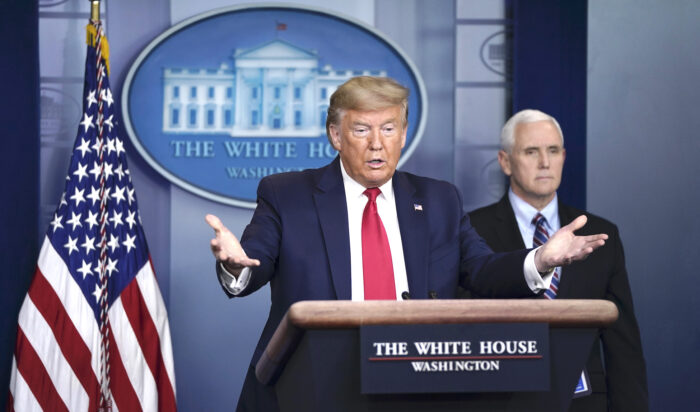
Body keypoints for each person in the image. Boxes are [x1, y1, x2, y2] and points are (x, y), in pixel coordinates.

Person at [205, 77, 608, 411]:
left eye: (389, 128)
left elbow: (482, 271)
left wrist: (541, 259)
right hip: (310, 389)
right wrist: (235, 263)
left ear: (403, 134)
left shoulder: (438, 200)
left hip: (414, 387)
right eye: (362, 129)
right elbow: (253, 261)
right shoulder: (287, 194)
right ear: (335, 135)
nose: (376, 143)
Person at [468, 109, 648, 411]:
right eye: (531, 151)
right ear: (505, 161)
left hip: (584, 403)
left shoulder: (602, 235)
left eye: (553, 151)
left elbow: (623, 345)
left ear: (563, 156)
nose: (545, 162)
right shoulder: (472, 230)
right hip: (503, 400)